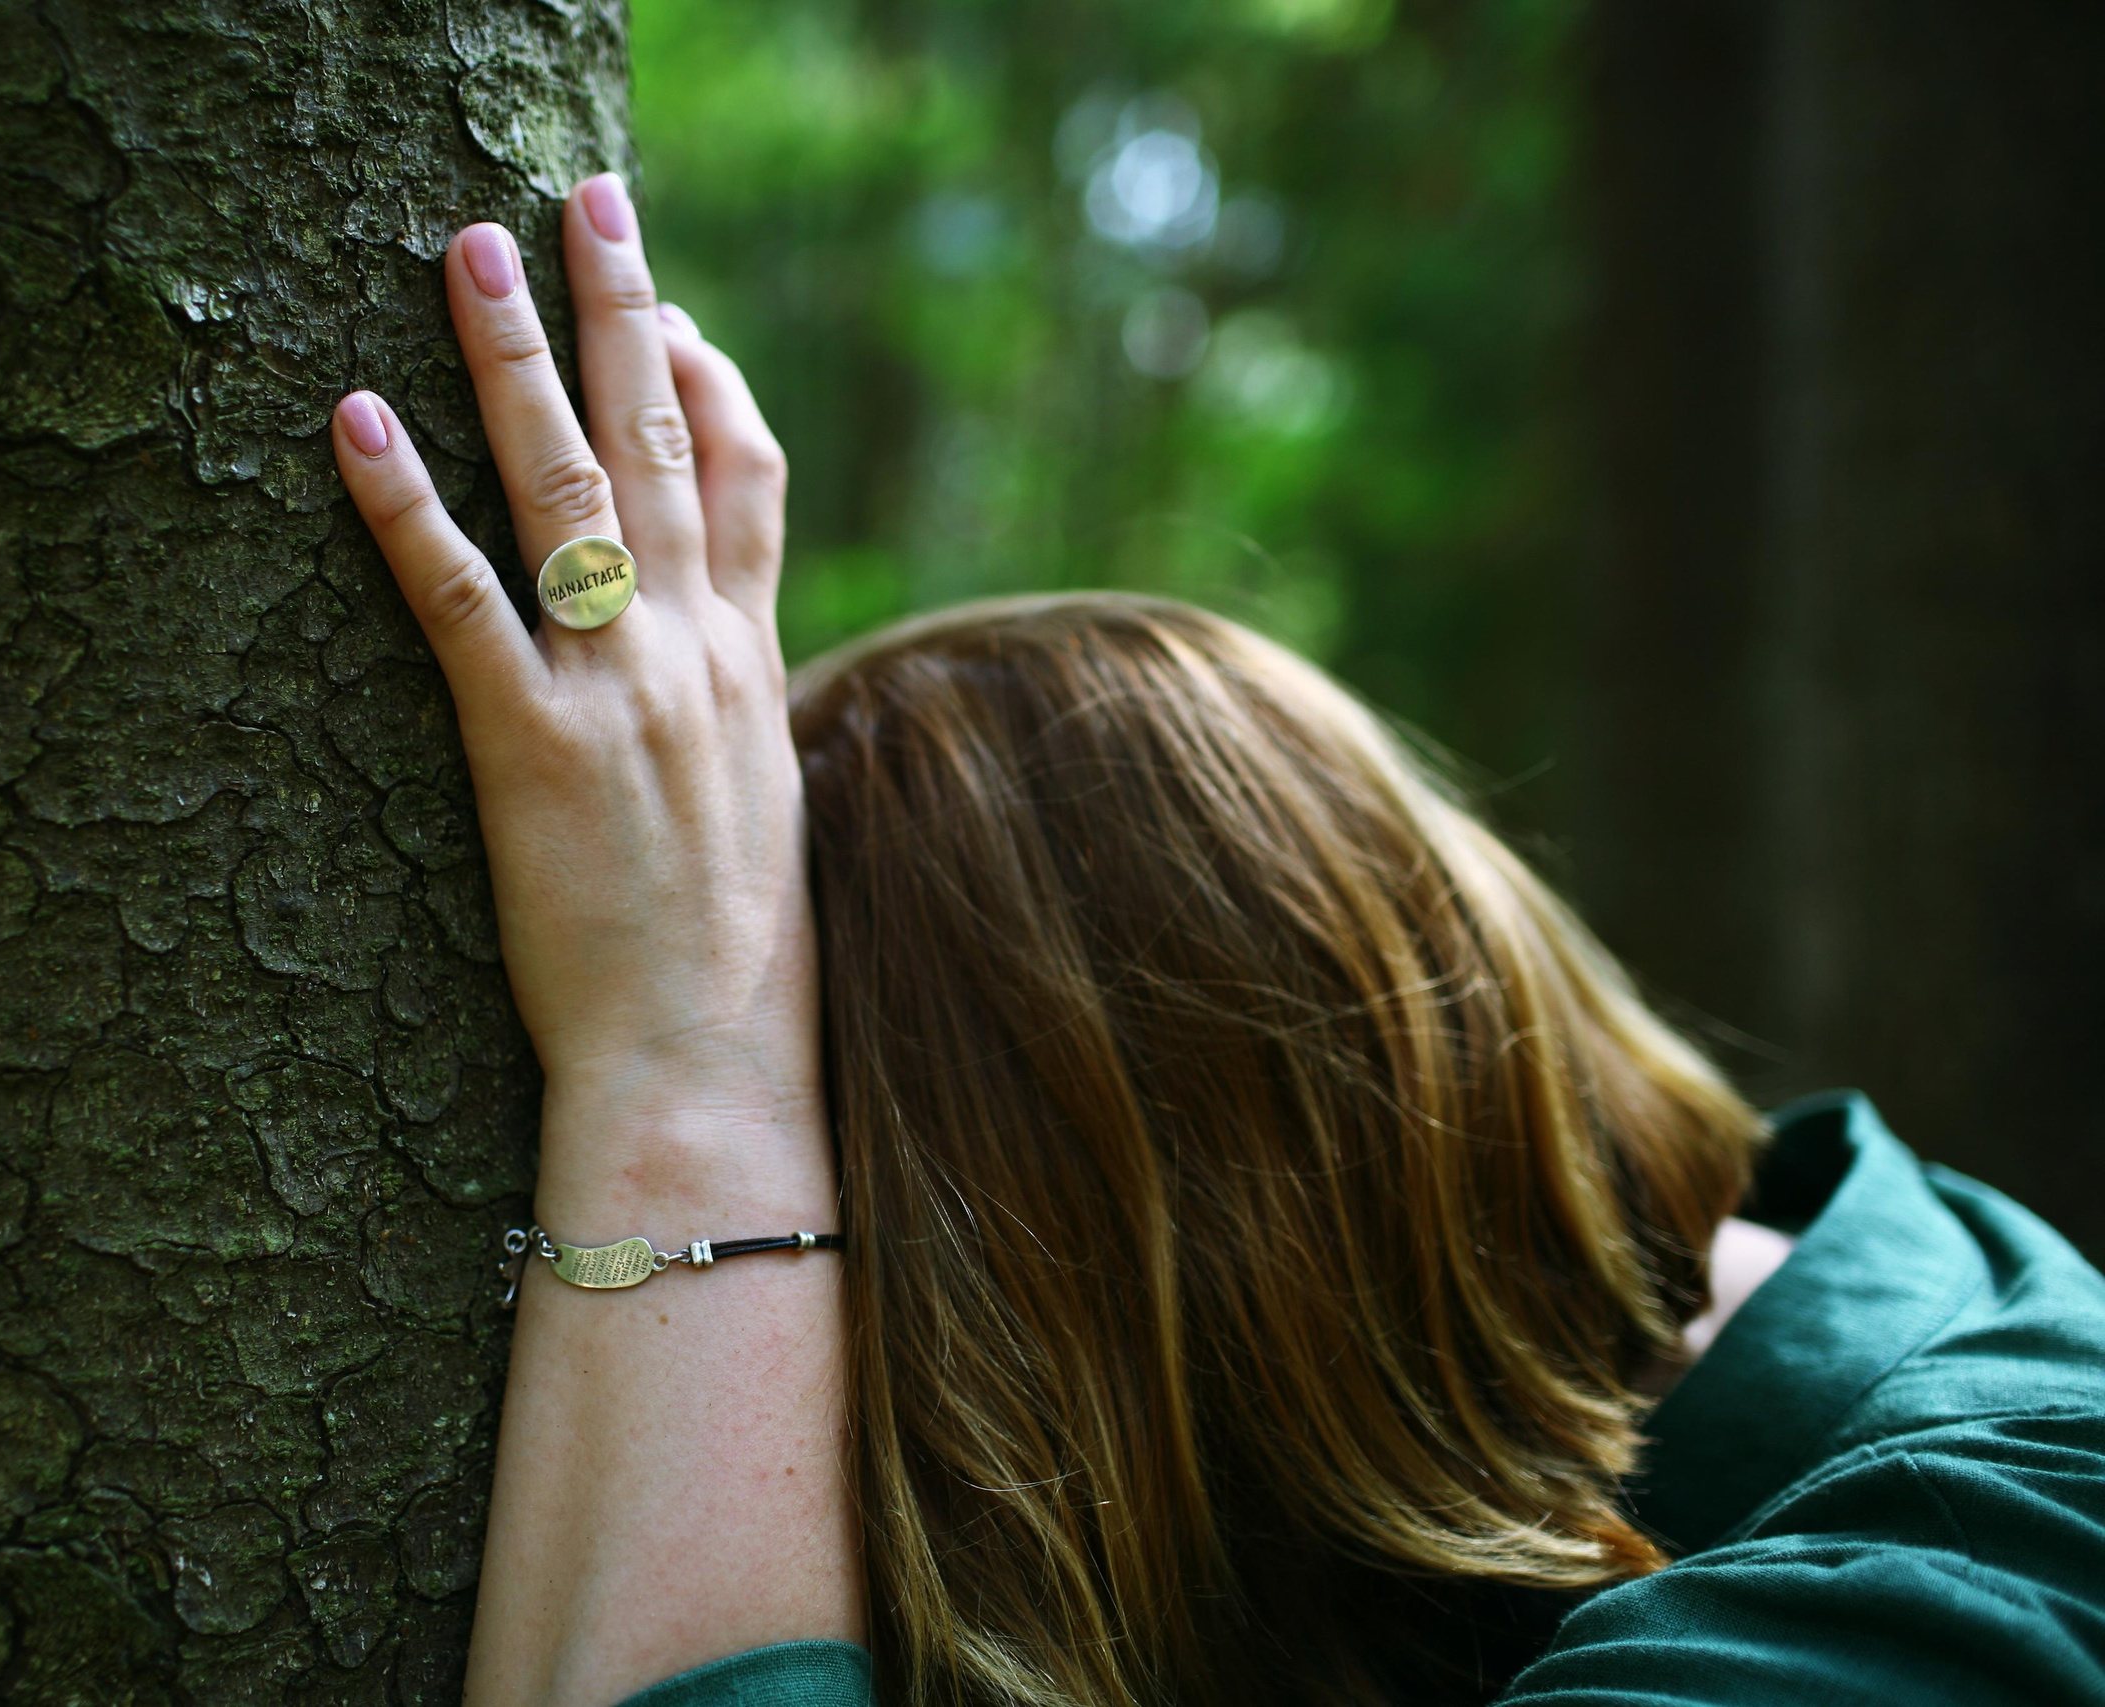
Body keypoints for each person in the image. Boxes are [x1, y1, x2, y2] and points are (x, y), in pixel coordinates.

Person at [325, 179, 2105, 1706]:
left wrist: (690, 1076)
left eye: (858, 1275)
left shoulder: (1962, 1573)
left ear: (1131, 1267)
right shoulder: (1662, 1398)